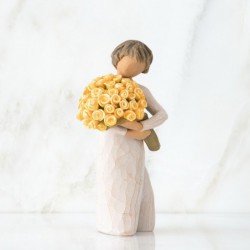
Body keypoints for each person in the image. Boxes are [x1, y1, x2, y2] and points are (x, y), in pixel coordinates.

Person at [95, 40, 168, 236]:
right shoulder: (103, 88)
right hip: (114, 147)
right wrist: (128, 131)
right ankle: (117, 225)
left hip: (135, 148)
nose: (133, 66)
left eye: (140, 63)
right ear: (117, 58)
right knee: (117, 183)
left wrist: (143, 126)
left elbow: (162, 114)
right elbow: (102, 121)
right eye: (130, 59)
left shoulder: (142, 91)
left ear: (144, 68)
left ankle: (141, 222)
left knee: (137, 182)